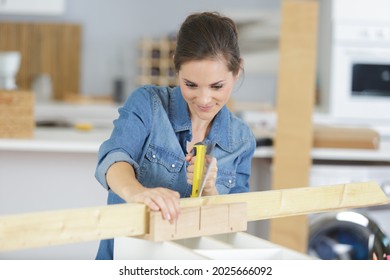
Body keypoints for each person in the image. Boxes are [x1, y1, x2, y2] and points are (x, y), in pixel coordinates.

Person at [94, 11, 256, 259]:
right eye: (190, 84)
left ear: (237, 72)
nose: (203, 99)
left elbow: (233, 224)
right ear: (176, 68)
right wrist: (138, 193)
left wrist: (211, 191)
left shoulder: (242, 140)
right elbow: (115, 158)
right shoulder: (147, 103)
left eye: (217, 86)